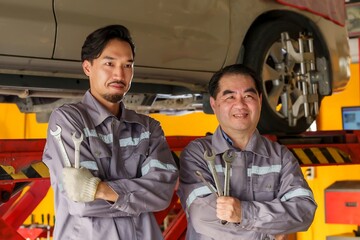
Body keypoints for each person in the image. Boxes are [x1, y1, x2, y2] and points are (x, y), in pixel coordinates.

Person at [42, 24, 178, 240]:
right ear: (88, 67)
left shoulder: (148, 128)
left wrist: (101, 190)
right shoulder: (68, 121)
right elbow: (81, 203)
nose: (119, 73)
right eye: (109, 63)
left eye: (128, 65)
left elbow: (162, 193)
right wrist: (139, 197)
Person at [177, 64, 317, 240]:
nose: (240, 104)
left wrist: (243, 213)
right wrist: (270, 233)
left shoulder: (280, 157)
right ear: (214, 104)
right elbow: (203, 218)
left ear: (259, 100)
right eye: (230, 97)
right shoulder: (197, 154)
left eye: (248, 96)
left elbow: (304, 212)